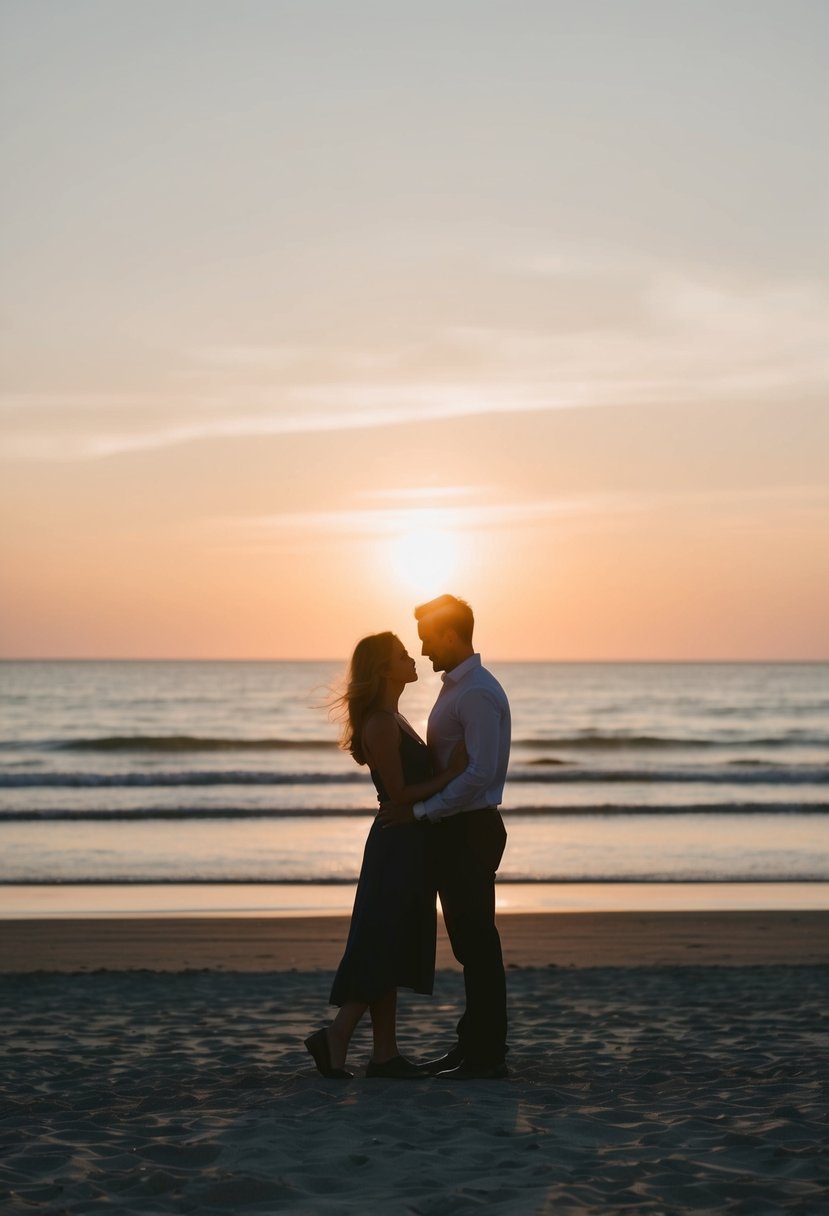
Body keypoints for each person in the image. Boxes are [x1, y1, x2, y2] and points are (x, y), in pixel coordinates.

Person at [304, 631, 467, 1080]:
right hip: (396, 846)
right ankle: (337, 1035)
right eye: (400, 654)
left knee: (390, 945)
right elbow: (399, 796)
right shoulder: (379, 722)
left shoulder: (394, 717)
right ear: (382, 669)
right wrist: (452, 775)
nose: (411, 658)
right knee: (382, 944)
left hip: (408, 844)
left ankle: (384, 1054)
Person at [378, 594, 511, 1080]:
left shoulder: (475, 692)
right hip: (454, 827)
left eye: (429, 639)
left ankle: (486, 1055)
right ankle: (473, 1044)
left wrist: (423, 811)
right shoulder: (457, 686)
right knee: (470, 944)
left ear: (452, 635)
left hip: (468, 828)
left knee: (477, 944)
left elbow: (478, 774)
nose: (425, 650)